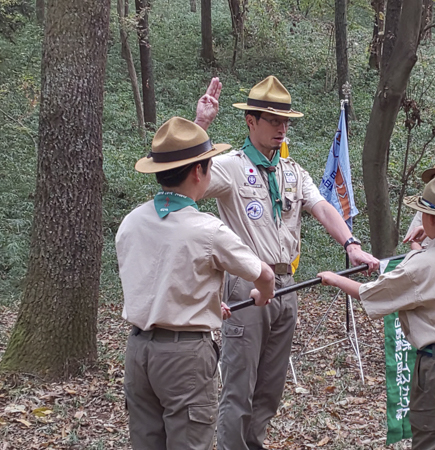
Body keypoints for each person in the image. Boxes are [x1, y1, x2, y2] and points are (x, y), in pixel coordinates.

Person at [194, 75, 379, 450]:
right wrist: (201, 126)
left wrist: (352, 244)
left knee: (270, 387)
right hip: (245, 282)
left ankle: (254, 444)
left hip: (286, 285)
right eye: (273, 120)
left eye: (285, 121)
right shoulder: (230, 166)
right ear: (251, 121)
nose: (282, 128)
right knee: (238, 386)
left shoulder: (291, 171)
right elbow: (191, 181)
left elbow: (323, 207)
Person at [116, 117, 276, 450]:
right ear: (198, 173)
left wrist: (203, 303)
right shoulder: (207, 229)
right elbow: (265, 274)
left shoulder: (132, 222)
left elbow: (153, 279)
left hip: (137, 351)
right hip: (185, 356)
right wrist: (263, 295)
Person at [318, 172, 435, 449]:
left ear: (431, 219)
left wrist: (333, 277)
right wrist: (427, 238)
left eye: (424, 213)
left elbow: (371, 293)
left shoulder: (421, 265)